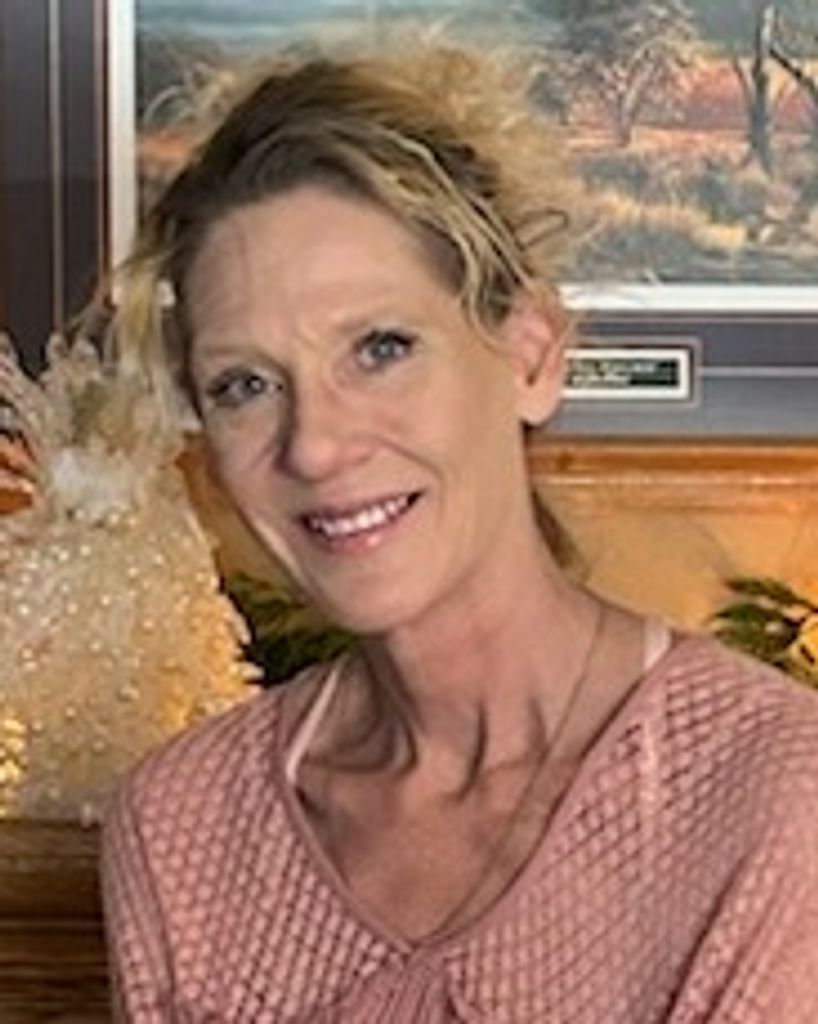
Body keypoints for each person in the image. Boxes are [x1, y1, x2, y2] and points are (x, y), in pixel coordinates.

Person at [101, 37, 818, 1023]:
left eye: (380, 348)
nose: (315, 445)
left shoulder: (771, 793)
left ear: (530, 356)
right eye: (245, 385)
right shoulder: (181, 826)